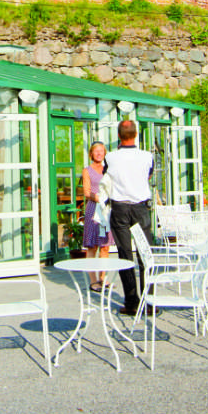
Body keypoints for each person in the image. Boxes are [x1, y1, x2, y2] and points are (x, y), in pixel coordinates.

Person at [103, 119, 155, 316]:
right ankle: (149, 301)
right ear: (136, 135)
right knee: (145, 254)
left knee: (125, 255)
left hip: (120, 208)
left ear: (118, 136)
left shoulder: (111, 157)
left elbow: (108, 177)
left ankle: (131, 301)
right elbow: (148, 176)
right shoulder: (147, 156)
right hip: (140, 207)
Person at [80, 141, 111, 290]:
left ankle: (103, 279)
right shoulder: (87, 170)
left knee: (105, 246)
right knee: (92, 246)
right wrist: (99, 198)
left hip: (106, 211)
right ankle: (93, 281)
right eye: (96, 151)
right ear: (91, 154)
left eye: (101, 151)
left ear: (105, 153)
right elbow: (86, 192)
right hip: (94, 210)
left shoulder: (108, 169)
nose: (99, 154)